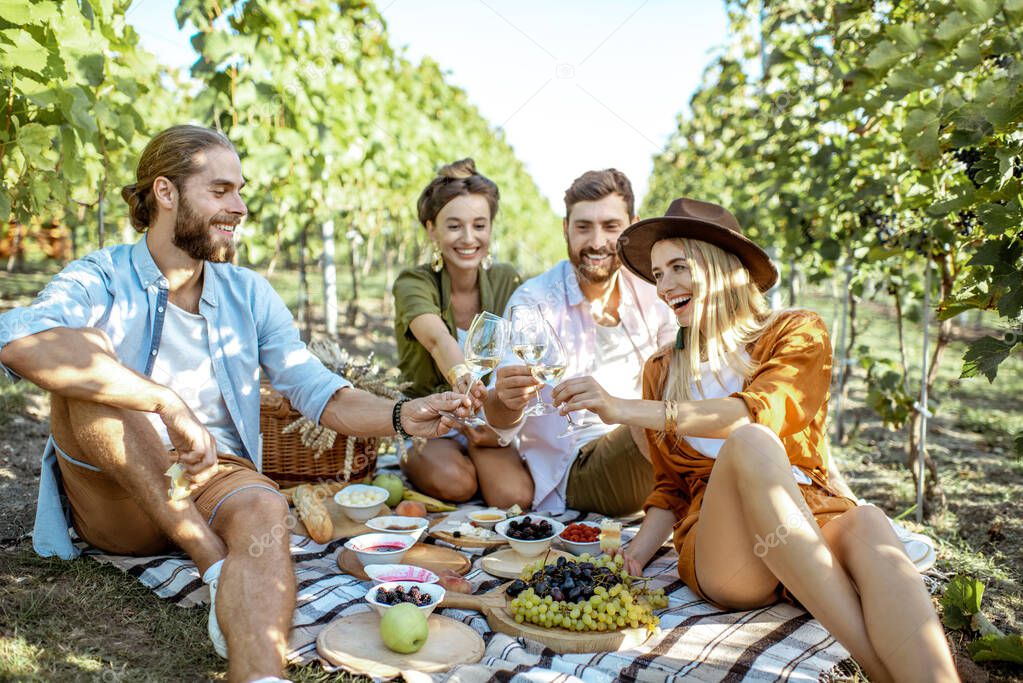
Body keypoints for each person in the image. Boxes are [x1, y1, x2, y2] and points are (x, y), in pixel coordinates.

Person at [0, 125, 470, 683]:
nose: (240, 206)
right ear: (166, 192)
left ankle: (260, 676)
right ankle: (210, 560)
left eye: (240, 191)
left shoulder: (249, 293)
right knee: (92, 377)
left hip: (213, 475)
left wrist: (399, 417)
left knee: (266, 508)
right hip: (121, 493)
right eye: (221, 191)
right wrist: (164, 401)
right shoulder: (100, 276)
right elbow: (22, 342)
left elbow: (315, 389)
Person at [551, 198, 959, 683]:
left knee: (869, 521)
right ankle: (878, 670)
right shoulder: (661, 370)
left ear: (724, 268)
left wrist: (622, 408)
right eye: (658, 274)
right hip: (728, 550)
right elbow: (671, 488)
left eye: (678, 267)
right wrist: (638, 552)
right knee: (751, 444)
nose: (664, 287)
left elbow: (760, 409)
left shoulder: (796, 331)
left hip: (805, 518)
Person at [484, 169, 676, 515]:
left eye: (611, 227)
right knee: (654, 421)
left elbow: (682, 375)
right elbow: (500, 421)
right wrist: (506, 400)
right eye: (583, 226)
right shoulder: (534, 301)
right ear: (566, 229)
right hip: (578, 465)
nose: (597, 242)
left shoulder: (654, 292)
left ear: (632, 227)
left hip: (652, 448)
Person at [391, 158, 531, 507]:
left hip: (484, 422)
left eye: (479, 225)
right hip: (429, 417)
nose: (469, 239)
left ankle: (475, 455)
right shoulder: (413, 282)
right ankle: (431, 460)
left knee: (515, 497)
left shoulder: (505, 279)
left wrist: (493, 422)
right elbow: (439, 341)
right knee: (457, 485)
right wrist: (467, 384)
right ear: (431, 229)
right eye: (454, 226)